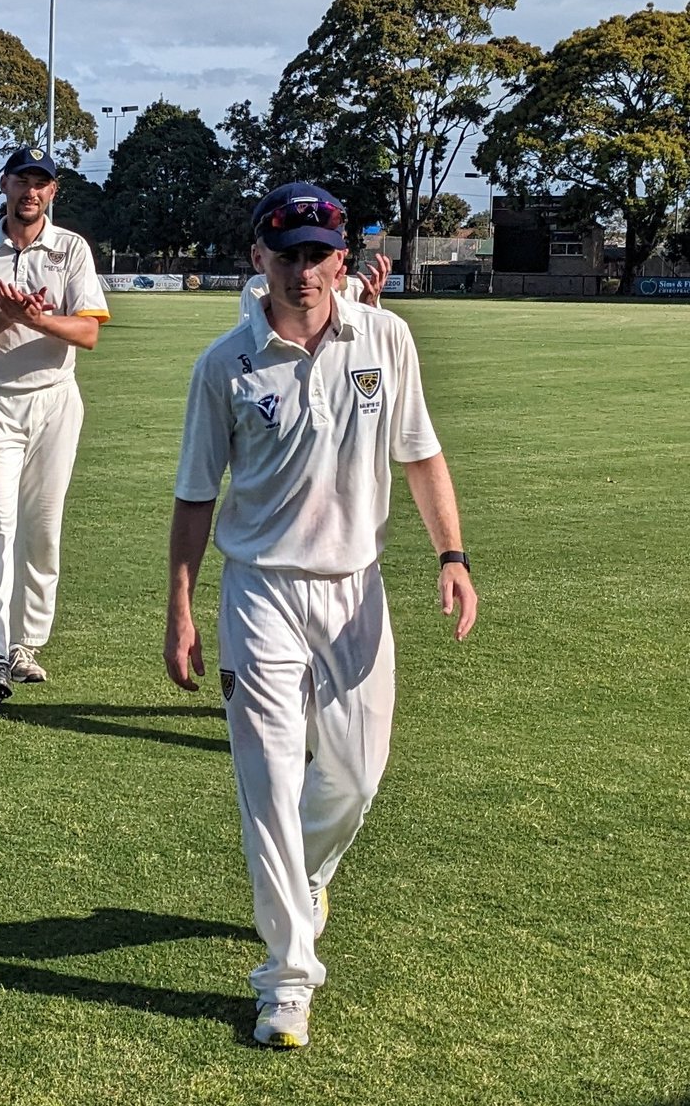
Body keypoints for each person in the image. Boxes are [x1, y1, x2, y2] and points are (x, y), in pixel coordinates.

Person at [163, 181, 478, 1049]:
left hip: (356, 587)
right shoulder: (225, 365)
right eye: (288, 253)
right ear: (259, 258)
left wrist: (452, 556)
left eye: (319, 253)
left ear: (344, 258)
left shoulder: (387, 339)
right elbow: (196, 496)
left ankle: (310, 877)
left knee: (356, 776)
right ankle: (287, 979)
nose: (305, 270)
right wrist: (181, 606)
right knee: (269, 781)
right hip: (259, 589)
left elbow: (421, 454)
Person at [0, 146, 110, 701]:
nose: (30, 191)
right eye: (21, 181)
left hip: (56, 401)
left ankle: (25, 644)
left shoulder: (71, 249)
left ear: (52, 192)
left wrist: (38, 318)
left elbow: (88, 333)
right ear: (5, 186)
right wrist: (4, 316)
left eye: (41, 183)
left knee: (41, 528)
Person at [238, 251, 392, 326]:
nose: (305, 272)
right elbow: (253, 343)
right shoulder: (261, 286)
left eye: (320, 254)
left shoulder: (359, 289)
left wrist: (368, 309)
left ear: (341, 255)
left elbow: (369, 352)